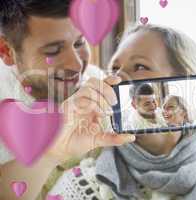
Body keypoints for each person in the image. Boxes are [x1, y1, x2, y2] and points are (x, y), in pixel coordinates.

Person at [39, 24, 196, 200]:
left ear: (184, 85)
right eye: (113, 69)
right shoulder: (88, 180)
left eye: (140, 66)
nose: (118, 79)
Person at [0, 1, 135, 199]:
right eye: (53, 51)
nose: (77, 64)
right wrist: (50, 153)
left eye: (79, 43)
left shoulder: (97, 85)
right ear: (7, 51)